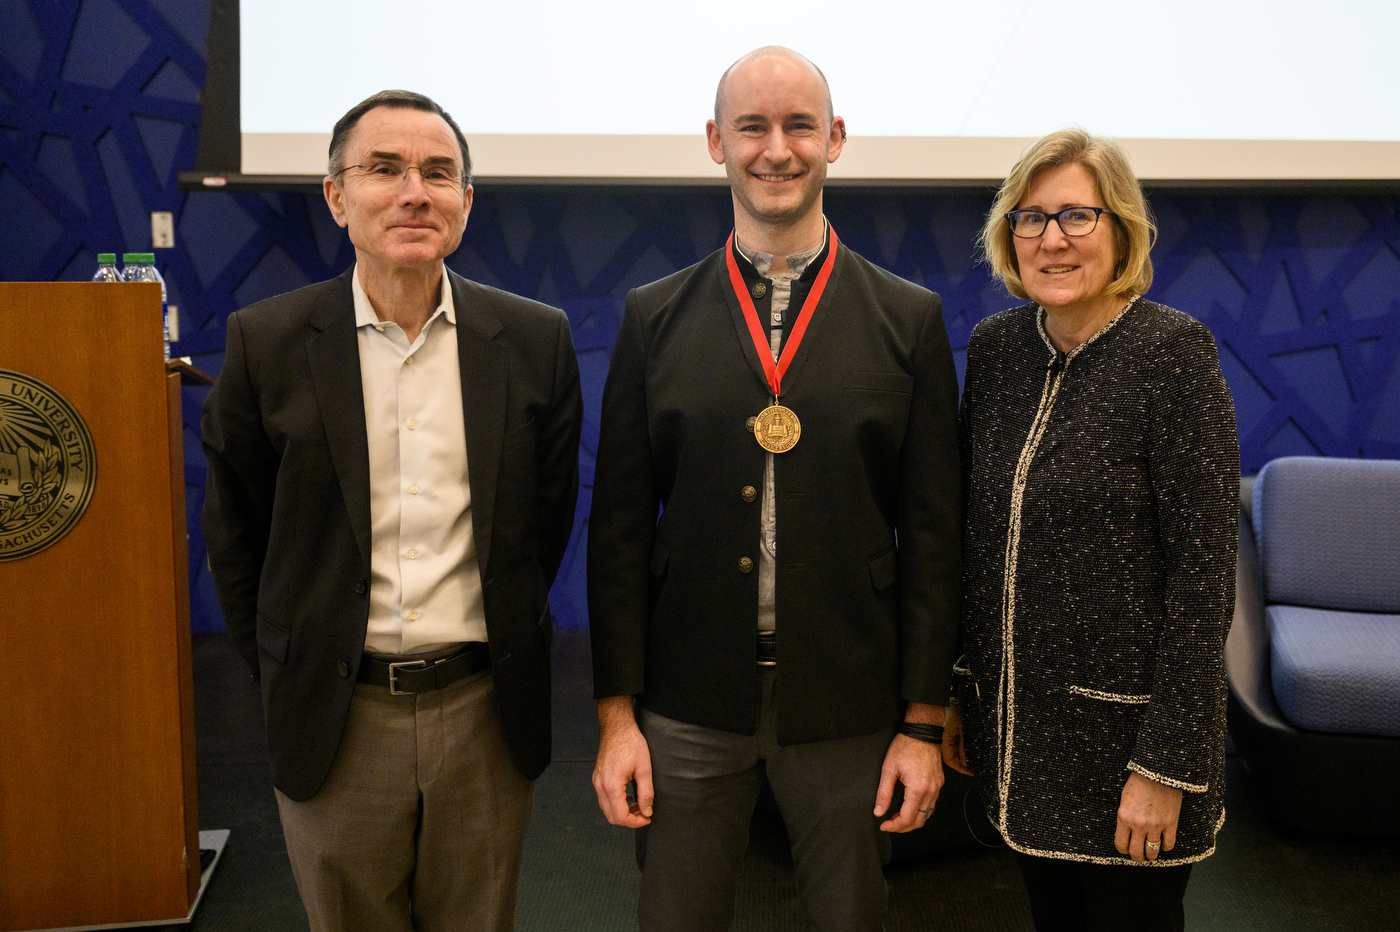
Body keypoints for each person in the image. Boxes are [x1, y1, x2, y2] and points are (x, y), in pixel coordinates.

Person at [587, 47, 963, 931]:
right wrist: (616, 718)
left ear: (834, 138)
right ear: (716, 141)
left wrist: (920, 722)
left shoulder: (909, 321)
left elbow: (937, 538)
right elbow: (618, 536)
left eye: (799, 125)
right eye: (752, 126)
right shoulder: (653, 317)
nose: (776, 149)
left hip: (850, 700)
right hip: (687, 703)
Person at [201, 89, 582, 932]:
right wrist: (289, 670)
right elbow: (237, 537)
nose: (416, 191)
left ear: (466, 203)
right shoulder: (265, 344)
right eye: (385, 169)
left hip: (483, 714)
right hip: (337, 720)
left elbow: (540, 525)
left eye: (438, 173)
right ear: (337, 196)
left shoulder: (534, 340)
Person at [945, 128, 1238, 932]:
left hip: (1128, 749)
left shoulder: (1173, 355)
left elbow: (1204, 579)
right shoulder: (998, 350)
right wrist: (962, 694)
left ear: (1122, 228)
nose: (1052, 239)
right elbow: (977, 544)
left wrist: (1166, 765)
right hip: (1020, 735)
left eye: (1077, 214)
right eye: (1030, 219)